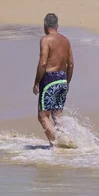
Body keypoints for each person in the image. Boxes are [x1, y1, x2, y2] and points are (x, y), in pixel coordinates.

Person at [33, 13, 74, 146]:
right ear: (57, 25)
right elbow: (71, 64)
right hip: (62, 79)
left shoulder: (45, 40)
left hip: (49, 80)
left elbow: (43, 63)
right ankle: (64, 141)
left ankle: (56, 145)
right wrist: (67, 82)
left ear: (45, 25)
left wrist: (36, 83)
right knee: (57, 116)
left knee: (43, 116)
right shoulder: (66, 40)